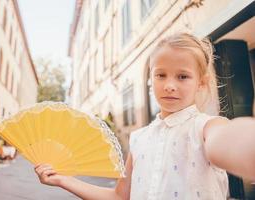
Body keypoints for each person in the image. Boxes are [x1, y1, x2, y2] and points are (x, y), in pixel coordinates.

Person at [34, 33, 255, 199]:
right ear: (151, 79)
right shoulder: (139, 138)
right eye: (161, 75)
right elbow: (120, 196)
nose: (169, 85)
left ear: (201, 82)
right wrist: (63, 180)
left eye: (182, 76)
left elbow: (226, 139)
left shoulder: (207, 127)